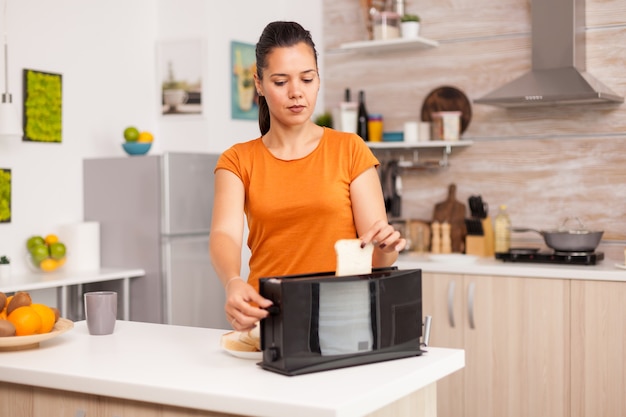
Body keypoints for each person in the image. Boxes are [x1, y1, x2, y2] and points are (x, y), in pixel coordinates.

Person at [209, 21, 406, 332]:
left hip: (344, 319)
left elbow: (376, 255)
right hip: (269, 317)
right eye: (280, 81)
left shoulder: (350, 150)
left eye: (306, 78)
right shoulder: (237, 160)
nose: (296, 92)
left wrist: (386, 246)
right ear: (259, 84)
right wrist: (232, 281)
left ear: (318, 80)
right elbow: (225, 235)